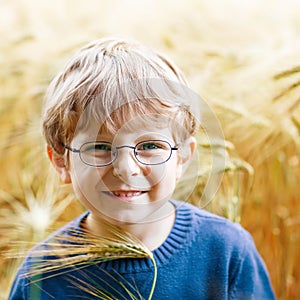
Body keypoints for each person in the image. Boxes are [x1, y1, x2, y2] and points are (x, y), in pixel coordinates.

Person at [8, 37, 275, 299]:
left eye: (149, 146)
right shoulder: (40, 276)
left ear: (182, 157)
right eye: (99, 148)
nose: (126, 169)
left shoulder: (226, 251)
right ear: (61, 161)